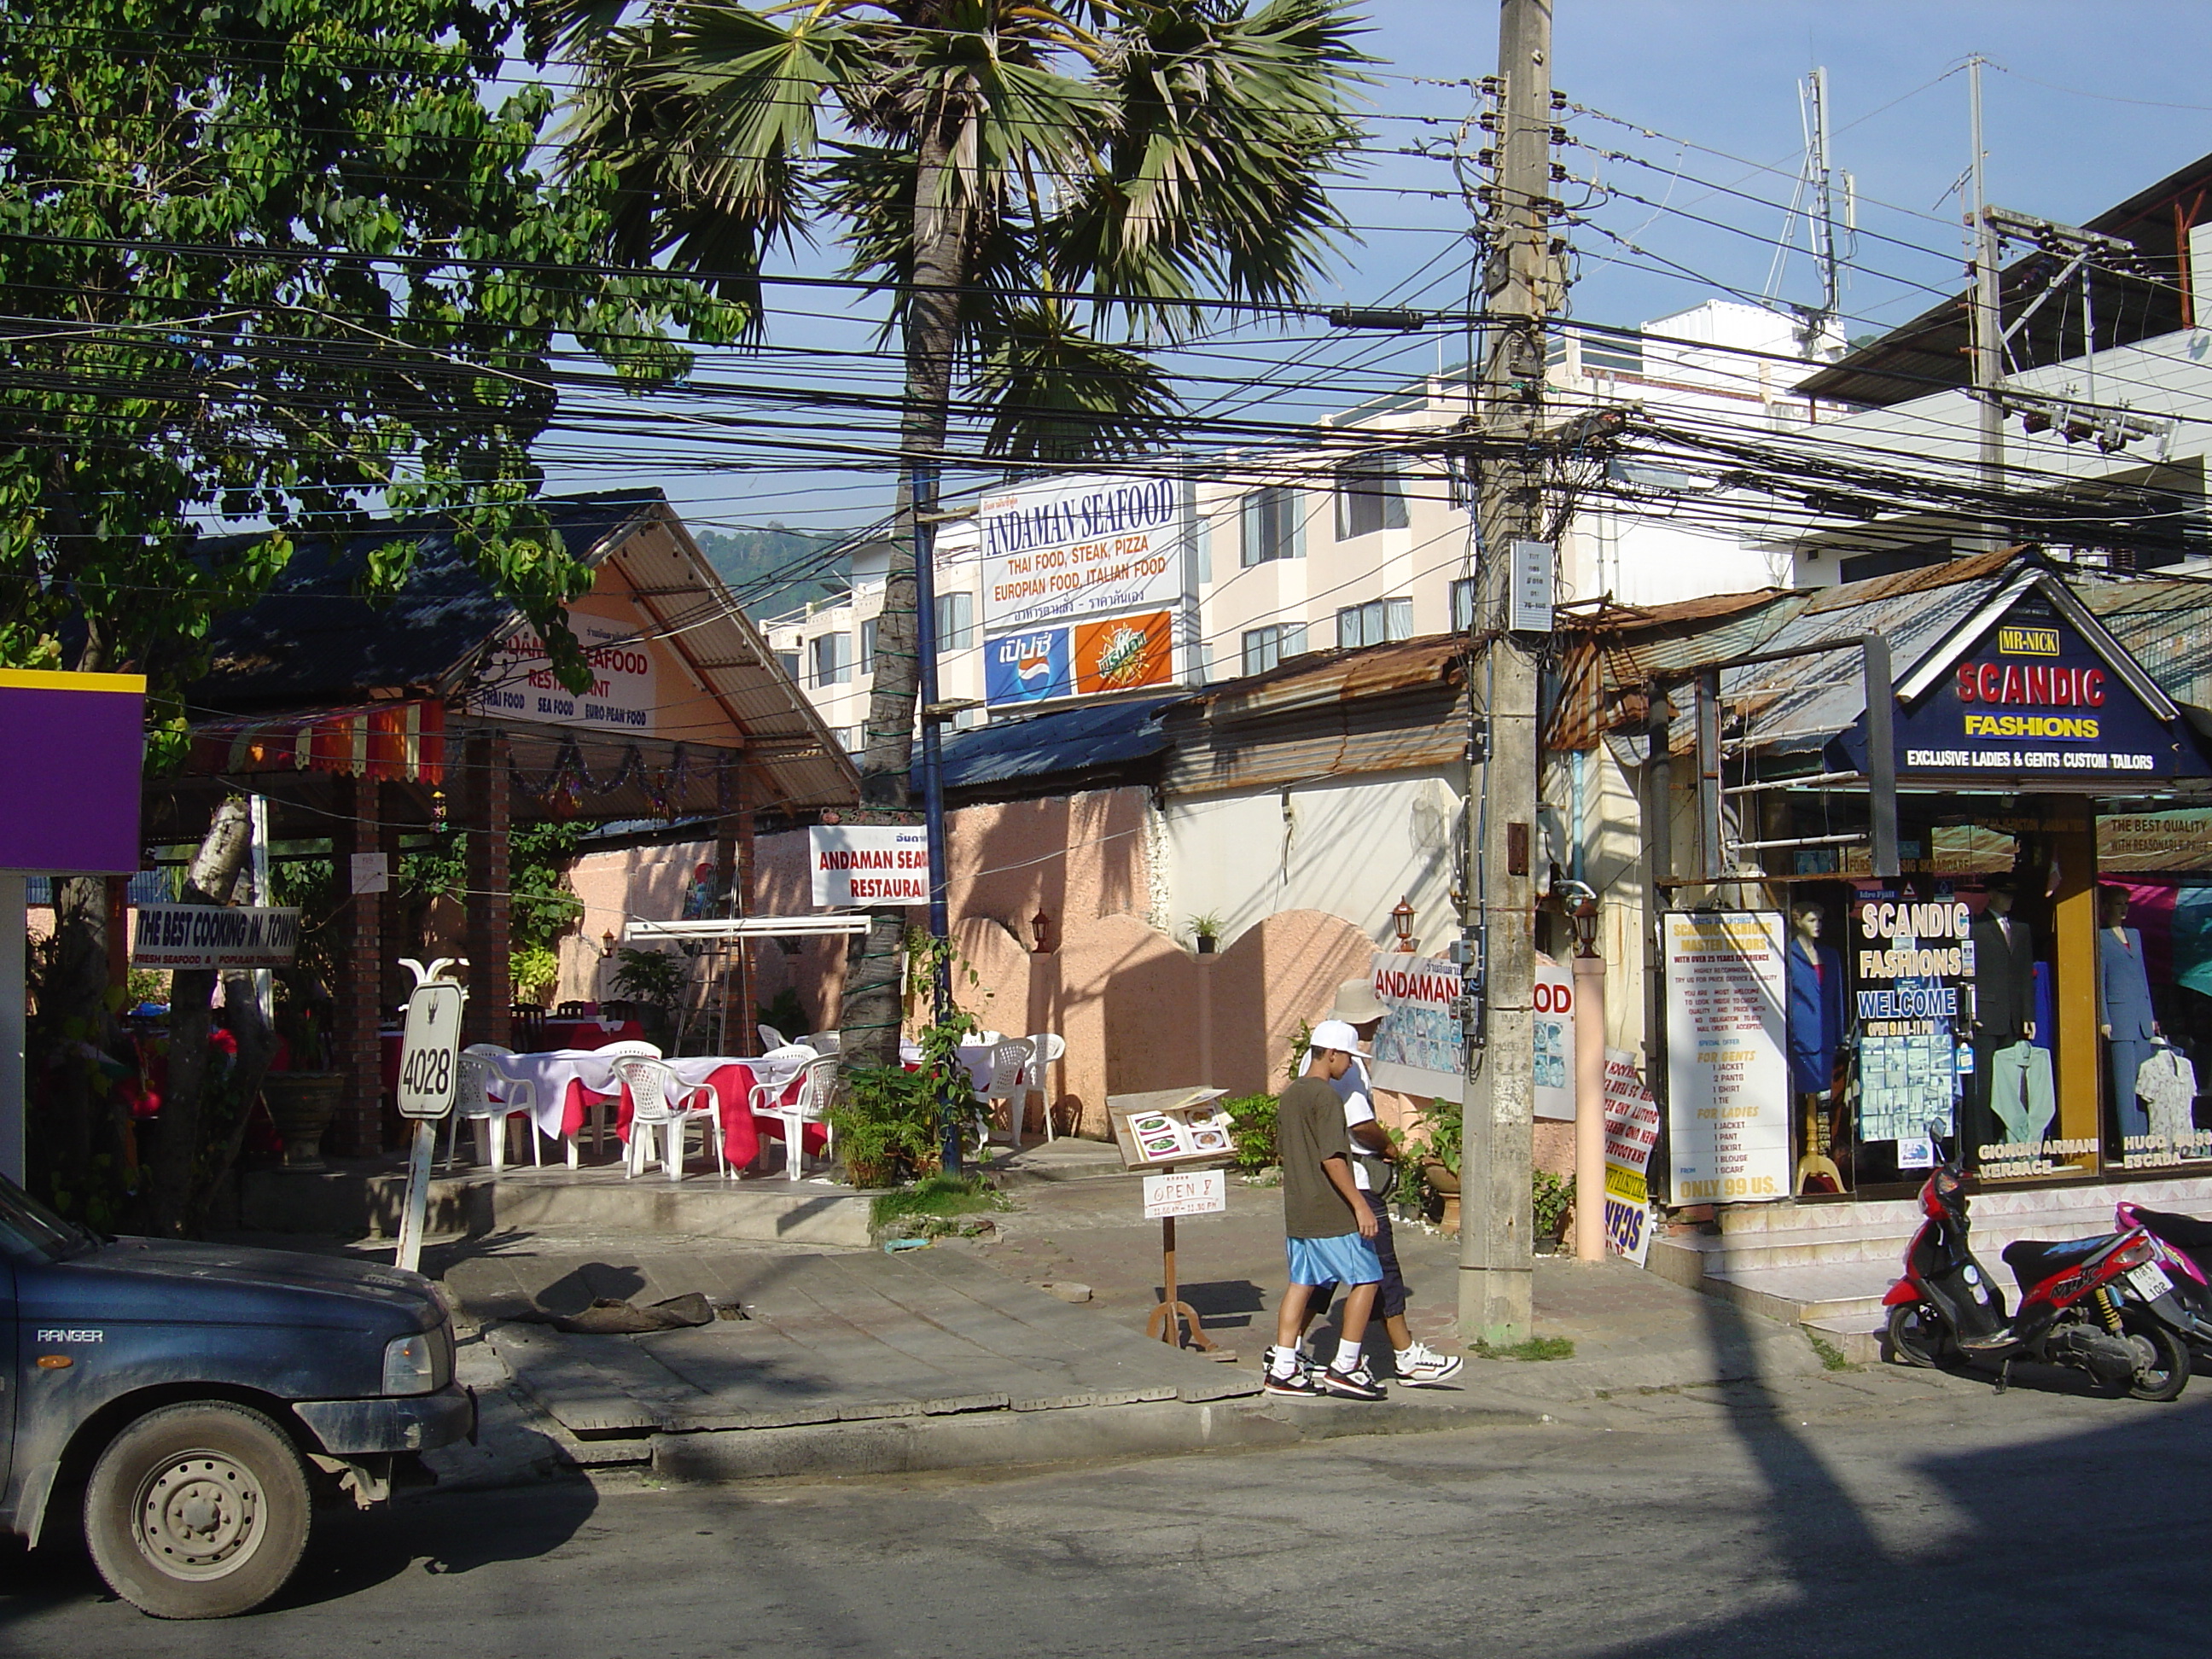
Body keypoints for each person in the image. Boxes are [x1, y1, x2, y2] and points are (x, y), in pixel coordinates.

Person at [1295, 991, 1464, 1387]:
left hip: (1322, 1183)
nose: (1378, 1025)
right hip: (1353, 1177)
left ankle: (1288, 1349)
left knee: (1322, 1273)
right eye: (1373, 1019)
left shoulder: (1315, 1061)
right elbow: (1359, 1126)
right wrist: (1388, 1148)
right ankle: (1398, 1356)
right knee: (1379, 1265)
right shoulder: (1346, 1069)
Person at [1263, 1022, 1388, 1401]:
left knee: (1300, 1284)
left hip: (1298, 1209)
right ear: (1331, 1053)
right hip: (1330, 1211)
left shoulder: (1290, 1095)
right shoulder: (1326, 1098)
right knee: (1368, 1278)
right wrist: (1360, 1205)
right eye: (1348, 1056)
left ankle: (1284, 1367)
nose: (1350, 1065)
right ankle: (1346, 1365)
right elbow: (1334, 1159)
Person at [1967, 877, 2048, 1159]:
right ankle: (1981, 1149)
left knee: (2011, 1087)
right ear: (1991, 894)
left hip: (2013, 1017)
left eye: (2011, 895)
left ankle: (2010, 1145)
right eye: (2003, 894)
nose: (2009, 900)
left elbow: (2025, 975)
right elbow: (1966, 972)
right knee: (1983, 1085)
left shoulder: (2022, 930)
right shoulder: (1975, 928)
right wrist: (1970, 1012)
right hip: (1985, 1016)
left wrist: (2029, 1014)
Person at [2098, 885, 2161, 1146]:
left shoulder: (2134, 935)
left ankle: (2145, 1141)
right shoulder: (2100, 937)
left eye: (2126, 904)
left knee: (2143, 1083)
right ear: (2105, 908)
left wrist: (2151, 1015)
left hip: (2141, 1019)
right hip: (2120, 1019)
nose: (2123, 909)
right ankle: (2129, 1144)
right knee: (2125, 1086)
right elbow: (2099, 980)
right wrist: (2104, 1017)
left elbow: (2142, 977)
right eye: (2118, 904)